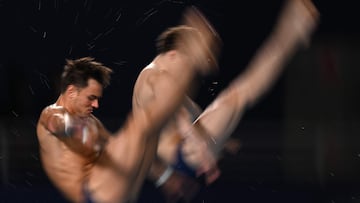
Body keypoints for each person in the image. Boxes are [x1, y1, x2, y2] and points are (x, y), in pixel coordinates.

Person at [36, 10, 222, 203]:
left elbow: (125, 153)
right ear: (72, 91)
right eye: (91, 98)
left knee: (146, 136)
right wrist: (76, 130)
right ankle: (190, 59)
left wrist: (166, 176)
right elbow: (56, 124)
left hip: (116, 195)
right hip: (91, 192)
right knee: (140, 125)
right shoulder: (51, 113)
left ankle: (189, 60)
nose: (96, 104)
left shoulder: (92, 123)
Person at [144, 1, 320, 202]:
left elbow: (187, 119)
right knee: (242, 92)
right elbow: (180, 121)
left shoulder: (173, 87)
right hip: (186, 154)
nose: (212, 58)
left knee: (239, 93)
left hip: (185, 154)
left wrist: (219, 143)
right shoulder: (157, 77)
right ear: (174, 53)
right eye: (208, 49)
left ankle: (292, 32)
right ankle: (293, 31)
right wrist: (202, 149)